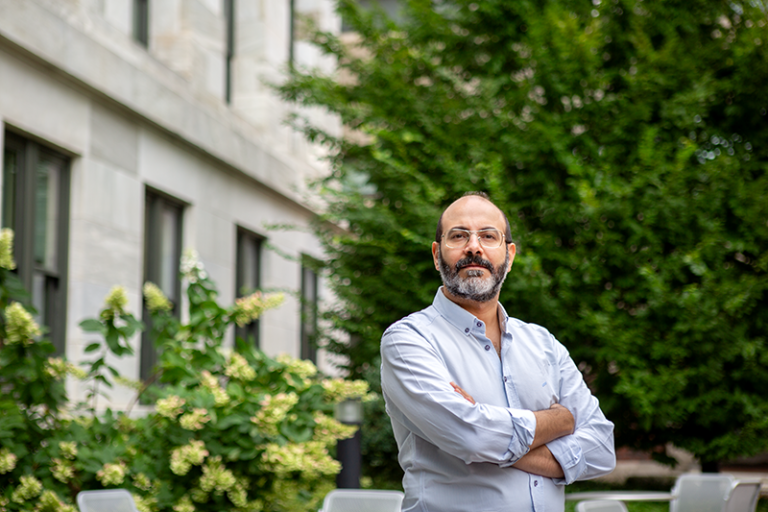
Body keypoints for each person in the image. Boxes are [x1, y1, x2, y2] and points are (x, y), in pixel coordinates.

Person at [380, 192, 616, 512]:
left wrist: (490, 435)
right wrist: (561, 421)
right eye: (459, 235)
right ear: (437, 255)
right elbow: (472, 437)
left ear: (510, 255)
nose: (474, 247)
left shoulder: (543, 343)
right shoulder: (408, 341)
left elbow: (602, 448)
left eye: (489, 236)